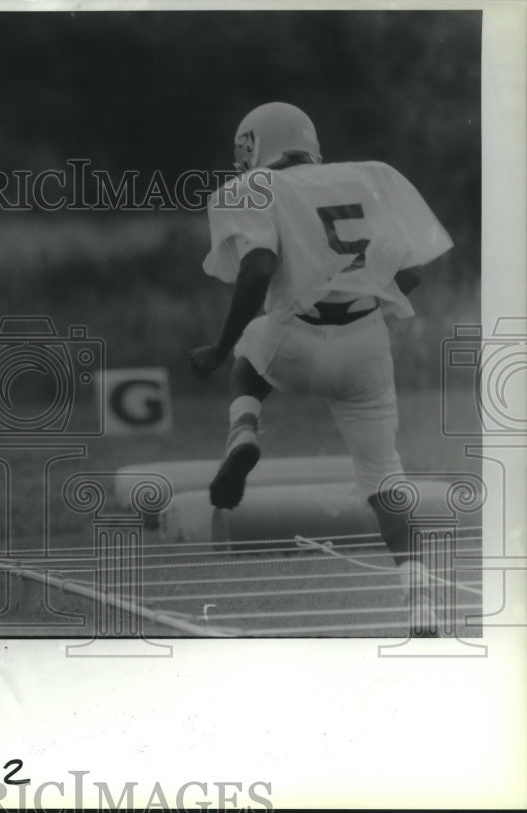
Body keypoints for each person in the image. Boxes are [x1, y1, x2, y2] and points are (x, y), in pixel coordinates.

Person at [188, 102, 453, 636]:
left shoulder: (254, 188)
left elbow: (259, 265)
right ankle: (419, 597)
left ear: (251, 146)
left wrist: (218, 348)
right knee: (385, 477)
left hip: (293, 334)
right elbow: (416, 268)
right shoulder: (374, 175)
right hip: (365, 343)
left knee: (247, 352)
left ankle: (243, 429)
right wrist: (369, 299)